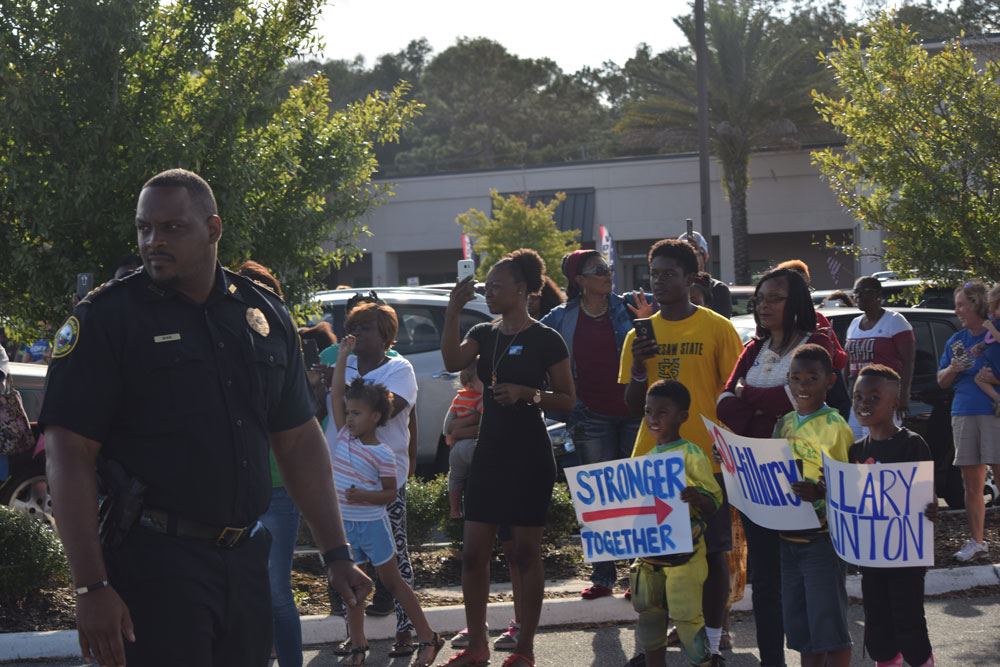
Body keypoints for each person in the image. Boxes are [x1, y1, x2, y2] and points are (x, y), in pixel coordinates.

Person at [39, 169, 370, 667]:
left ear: (213, 229)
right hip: (153, 564)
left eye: (172, 228)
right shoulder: (107, 318)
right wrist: (90, 585)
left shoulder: (263, 315)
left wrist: (336, 552)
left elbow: (299, 440)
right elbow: (68, 453)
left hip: (244, 558)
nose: (154, 241)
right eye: (144, 228)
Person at [441, 249, 575, 667]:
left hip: (530, 456)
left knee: (523, 555)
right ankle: (477, 647)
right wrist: (452, 310)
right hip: (490, 455)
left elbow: (568, 400)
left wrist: (527, 394)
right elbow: (451, 360)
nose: (489, 291)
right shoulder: (484, 332)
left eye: (496, 286)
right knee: (473, 554)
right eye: (488, 286)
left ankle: (525, 650)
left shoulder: (546, 338)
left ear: (521, 290)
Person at [620, 239, 743, 661]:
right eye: (653, 274)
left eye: (669, 273)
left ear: (691, 279)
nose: (658, 281)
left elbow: (733, 397)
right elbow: (632, 408)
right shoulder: (639, 335)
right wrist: (638, 367)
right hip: (651, 465)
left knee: (709, 556)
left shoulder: (717, 328)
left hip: (706, 462)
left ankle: (712, 638)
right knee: (653, 564)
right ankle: (658, 640)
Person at [716, 267, 840, 667]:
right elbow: (723, 404)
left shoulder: (817, 344)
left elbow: (799, 404)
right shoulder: (753, 348)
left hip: (804, 485)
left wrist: (747, 401)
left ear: (797, 302)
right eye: (760, 298)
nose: (764, 306)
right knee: (766, 581)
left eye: (774, 298)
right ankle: (773, 661)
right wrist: (760, 410)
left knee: (808, 585)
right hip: (758, 483)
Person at [540, 249, 652, 599]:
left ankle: (639, 576)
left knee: (638, 496)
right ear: (580, 281)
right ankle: (604, 576)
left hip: (637, 412)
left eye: (607, 268)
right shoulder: (560, 319)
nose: (608, 274)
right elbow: (537, 352)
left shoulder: (631, 306)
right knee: (600, 497)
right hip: (589, 416)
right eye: (598, 270)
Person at [329, 340, 444, 666]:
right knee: (352, 584)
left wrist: (364, 496)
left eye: (356, 413)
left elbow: (390, 494)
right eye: (348, 412)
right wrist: (341, 357)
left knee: (392, 582)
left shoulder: (382, 454)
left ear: (376, 416)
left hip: (372, 526)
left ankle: (428, 636)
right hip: (347, 526)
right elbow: (337, 392)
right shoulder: (342, 437)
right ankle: (358, 644)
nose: (348, 418)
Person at [325, 301, 421, 656]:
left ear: (385, 335)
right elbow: (334, 412)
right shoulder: (344, 366)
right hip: (344, 480)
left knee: (395, 556)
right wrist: (323, 381)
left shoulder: (400, 369)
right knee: (351, 559)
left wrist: (341, 390)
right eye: (353, 326)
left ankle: (407, 630)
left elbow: (385, 412)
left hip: (384, 478)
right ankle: (356, 635)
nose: (357, 333)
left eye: (365, 327)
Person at [235, 260, 303, 667]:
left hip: (278, 493)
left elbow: (303, 435)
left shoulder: (283, 351)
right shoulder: (218, 346)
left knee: (276, 592)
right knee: (243, 596)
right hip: (234, 493)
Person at [849, 364, 937, 667]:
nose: (864, 403)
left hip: (906, 557)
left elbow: (926, 497)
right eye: (858, 396)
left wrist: (930, 506)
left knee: (909, 622)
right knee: (878, 629)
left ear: (895, 402)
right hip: (872, 557)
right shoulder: (855, 451)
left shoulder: (912, 444)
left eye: (874, 397)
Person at [630, 380, 722, 667]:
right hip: (650, 555)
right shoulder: (644, 459)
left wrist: (697, 497)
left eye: (663, 412)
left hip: (687, 553)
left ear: (682, 416)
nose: (653, 419)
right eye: (648, 411)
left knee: (686, 617)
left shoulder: (692, 454)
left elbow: (713, 502)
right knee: (650, 616)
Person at [775, 344, 853, 667]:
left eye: (811, 378)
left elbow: (850, 484)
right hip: (788, 541)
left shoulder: (836, 426)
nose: (803, 386)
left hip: (821, 540)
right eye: (796, 378)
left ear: (829, 381)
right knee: (804, 632)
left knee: (829, 630)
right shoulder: (784, 424)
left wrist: (821, 491)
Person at [937, 281, 999, 562]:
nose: (957, 310)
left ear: (976, 305)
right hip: (962, 411)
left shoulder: (994, 334)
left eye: (962, 304)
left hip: (993, 413)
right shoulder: (956, 341)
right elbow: (941, 381)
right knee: (970, 484)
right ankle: (977, 541)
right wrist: (953, 367)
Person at [844, 276, 916, 439]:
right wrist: (849, 388)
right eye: (856, 292)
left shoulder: (895, 321)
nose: (859, 296)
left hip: (883, 396)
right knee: (856, 442)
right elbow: (848, 361)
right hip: (860, 397)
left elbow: (908, 361)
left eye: (865, 291)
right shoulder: (854, 324)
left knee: (881, 442)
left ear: (878, 295)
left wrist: (903, 394)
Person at [445, 361, 484, 518]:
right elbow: (484, 424)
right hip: (472, 446)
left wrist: (451, 434)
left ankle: (454, 509)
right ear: (472, 384)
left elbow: (447, 423)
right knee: (482, 477)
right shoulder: (481, 399)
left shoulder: (458, 398)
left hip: (456, 449)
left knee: (455, 477)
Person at [677, 230, 731, 318]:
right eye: (684, 255)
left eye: (695, 253)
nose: (690, 259)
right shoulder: (672, 287)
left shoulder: (718, 288)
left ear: (705, 257)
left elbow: (719, 326)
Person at [972, 284, 1000, 414]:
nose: (993, 311)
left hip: (997, 366)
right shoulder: (996, 322)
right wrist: (981, 346)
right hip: (992, 364)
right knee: (978, 378)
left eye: (997, 308)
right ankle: (998, 399)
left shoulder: (993, 325)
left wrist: (990, 327)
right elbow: (990, 340)